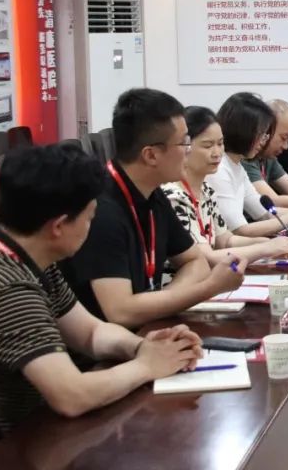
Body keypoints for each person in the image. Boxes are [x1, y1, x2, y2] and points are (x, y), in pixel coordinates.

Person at [0, 144, 203, 432]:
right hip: (22, 442)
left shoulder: (22, 253)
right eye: (89, 217)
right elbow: (72, 396)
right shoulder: (9, 290)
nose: (91, 226)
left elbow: (90, 332)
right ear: (59, 226)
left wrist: (143, 347)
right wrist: (146, 366)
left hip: (47, 425)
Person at [63, 88, 244, 329]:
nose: (189, 150)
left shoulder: (152, 192)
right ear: (150, 155)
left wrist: (160, 302)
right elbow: (121, 312)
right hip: (106, 345)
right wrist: (209, 288)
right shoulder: (100, 210)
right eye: (184, 142)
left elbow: (195, 262)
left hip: (147, 328)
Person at [162, 106, 288, 268]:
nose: (217, 153)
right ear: (185, 147)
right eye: (208, 146)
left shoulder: (206, 190)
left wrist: (266, 242)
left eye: (220, 144)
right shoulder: (174, 196)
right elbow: (206, 257)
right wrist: (264, 248)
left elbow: (226, 240)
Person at [207, 92, 288, 238]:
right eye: (262, 134)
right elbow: (240, 230)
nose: (263, 141)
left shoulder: (237, 166)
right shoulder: (219, 168)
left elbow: (265, 213)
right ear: (243, 131)